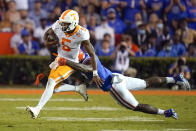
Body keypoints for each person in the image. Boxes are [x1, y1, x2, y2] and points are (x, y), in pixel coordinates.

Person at [55, 50, 191, 120]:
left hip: (113, 85)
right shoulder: (88, 59)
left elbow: (86, 69)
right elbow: (88, 74)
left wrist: (65, 61)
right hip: (118, 77)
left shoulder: (89, 61)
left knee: (136, 106)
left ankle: (166, 112)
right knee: (146, 83)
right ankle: (175, 79)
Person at [26, 9, 102, 119]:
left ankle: (37, 109)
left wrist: (95, 73)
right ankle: (78, 89)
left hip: (70, 62)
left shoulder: (82, 33)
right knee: (54, 88)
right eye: (62, 22)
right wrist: (48, 42)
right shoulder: (58, 24)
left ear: (74, 23)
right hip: (59, 59)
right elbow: (47, 33)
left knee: (51, 82)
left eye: (66, 23)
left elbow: (92, 54)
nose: (63, 25)